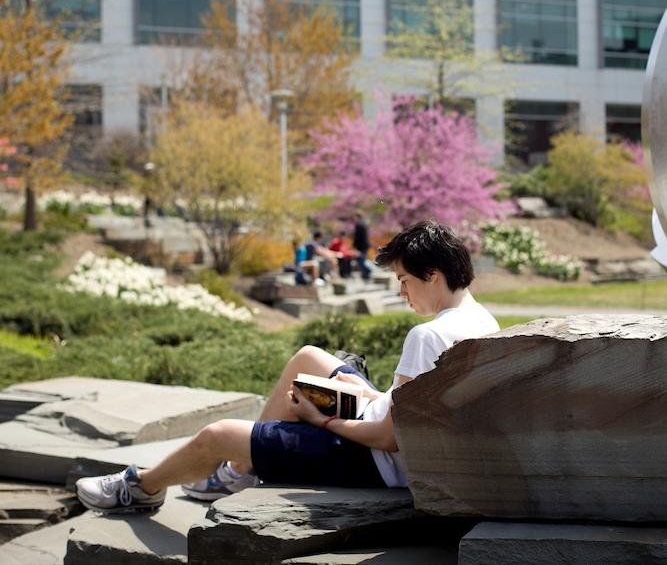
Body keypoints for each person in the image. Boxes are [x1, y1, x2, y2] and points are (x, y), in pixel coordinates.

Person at [75, 220, 500, 514]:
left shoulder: (426, 337)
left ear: (432, 274)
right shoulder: (482, 321)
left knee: (217, 435)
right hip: (388, 431)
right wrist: (373, 397)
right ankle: (242, 470)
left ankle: (142, 488)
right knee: (309, 357)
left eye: (404, 280)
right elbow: (412, 411)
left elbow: (388, 439)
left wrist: (320, 419)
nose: (402, 292)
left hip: (372, 462)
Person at [352, 213, 371, 280]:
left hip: (362, 247)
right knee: (360, 261)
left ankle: (368, 271)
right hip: (363, 246)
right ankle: (365, 274)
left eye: (356, 217)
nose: (354, 219)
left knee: (361, 262)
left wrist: (354, 246)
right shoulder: (362, 225)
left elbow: (358, 238)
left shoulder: (360, 226)